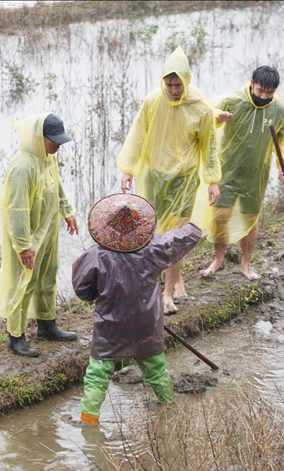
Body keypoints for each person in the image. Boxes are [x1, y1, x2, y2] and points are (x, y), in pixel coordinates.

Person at [72, 194, 201, 425]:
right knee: (156, 369)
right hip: (146, 325)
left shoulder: (96, 256)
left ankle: (89, 422)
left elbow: (83, 290)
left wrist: (97, 295)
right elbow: (182, 237)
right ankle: (169, 408)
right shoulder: (154, 249)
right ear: (141, 226)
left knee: (97, 375)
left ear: (105, 227)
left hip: (109, 327)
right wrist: (195, 225)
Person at [117, 45, 221, 315]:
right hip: (153, 176)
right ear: (163, 81)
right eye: (169, 84)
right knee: (153, 231)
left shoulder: (200, 106)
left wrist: (212, 180)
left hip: (184, 178)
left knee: (175, 236)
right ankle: (169, 280)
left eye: (178, 85)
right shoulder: (153, 101)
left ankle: (167, 293)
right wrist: (128, 168)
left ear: (187, 81)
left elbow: (209, 146)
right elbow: (138, 133)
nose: (174, 90)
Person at [0, 113, 80, 358]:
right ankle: (16, 337)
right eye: (54, 141)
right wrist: (22, 245)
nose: (58, 146)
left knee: (47, 275)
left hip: (47, 228)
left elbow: (56, 185)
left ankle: (47, 325)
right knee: (22, 283)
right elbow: (16, 209)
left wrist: (67, 211)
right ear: (39, 138)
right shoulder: (22, 166)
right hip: (27, 236)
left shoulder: (47, 157)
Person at [197, 65, 284, 280]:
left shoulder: (280, 110)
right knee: (220, 215)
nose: (263, 96)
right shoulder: (232, 100)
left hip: (255, 173)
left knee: (251, 218)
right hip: (227, 169)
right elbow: (202, 117)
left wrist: (283, 163)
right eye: (260, 91)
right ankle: (218, 260)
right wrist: (215, 117)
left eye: (269, 93)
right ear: (252, 83)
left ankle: (246, 265)